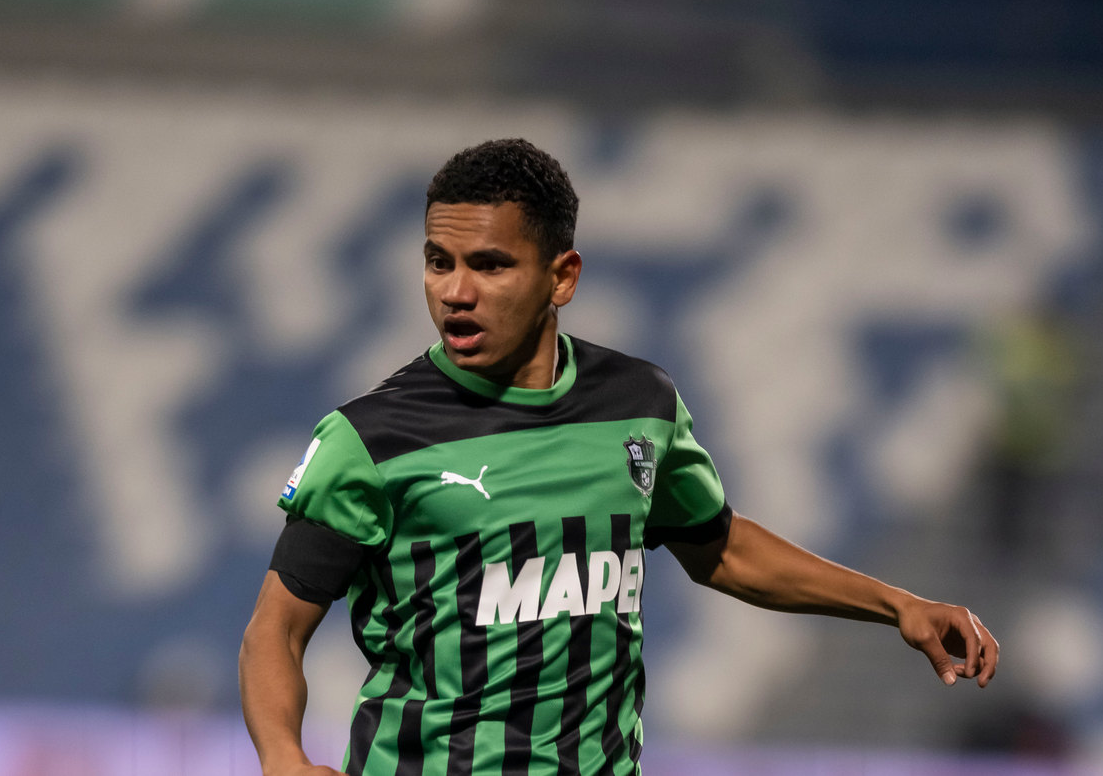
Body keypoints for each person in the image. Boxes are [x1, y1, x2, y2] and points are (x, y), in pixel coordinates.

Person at [239, 138, 999, 775]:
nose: (455, 292)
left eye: (491, 265)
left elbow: (722, 549)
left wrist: (898, 605)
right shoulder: (371, 439)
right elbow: (276, 630)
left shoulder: (640, 405)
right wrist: (282, 757)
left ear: (562, 276)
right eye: (439, 262)